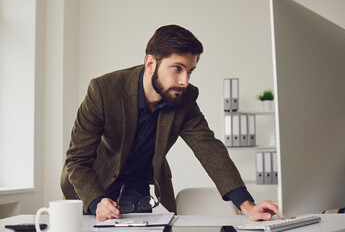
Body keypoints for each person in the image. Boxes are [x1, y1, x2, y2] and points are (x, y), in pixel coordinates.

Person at [61, 24, 283, 222]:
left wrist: (247, 205)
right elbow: (77, 160)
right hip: (91, 183)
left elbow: (210, 149)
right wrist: (96, 201)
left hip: (137, 187)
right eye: (177, 68)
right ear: (150, 63)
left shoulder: (184, 99)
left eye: (190, 71)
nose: (185, 81)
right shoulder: (103, 90)